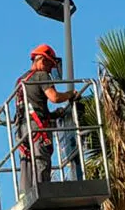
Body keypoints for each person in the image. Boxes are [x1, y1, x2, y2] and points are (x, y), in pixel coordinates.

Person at [15, 44, 80, 190]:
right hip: (36, 129)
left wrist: (53, 115)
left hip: (21, 130)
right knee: (41, 161)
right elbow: (54, 97)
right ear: (42, 61)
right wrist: (70, 94)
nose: (50, 69)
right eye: (50, 65)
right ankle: (43, 190)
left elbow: (31, 107)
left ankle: (25, 194)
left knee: (27, 162)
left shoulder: (21, 81)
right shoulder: (41, 75)